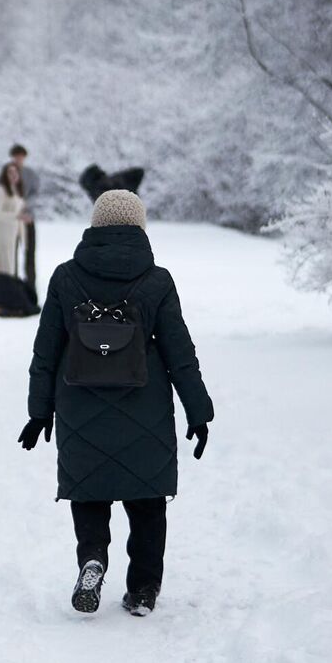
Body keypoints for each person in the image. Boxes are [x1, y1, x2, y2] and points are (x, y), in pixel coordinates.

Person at [19, 188, 214, 616]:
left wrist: (38, 412)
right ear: (139, 227)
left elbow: (46, 352)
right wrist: (199, 412)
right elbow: (181, 354)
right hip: (145, 409)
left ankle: (92, 558)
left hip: (79, 409)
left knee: (90, 494)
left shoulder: (65, 277)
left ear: (95, 226)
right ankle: (143, 590)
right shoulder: (157, 281)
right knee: (146, 502)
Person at [0, 144, 33, 275]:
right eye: (10, 172)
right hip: (2, 230)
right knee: (4, 265)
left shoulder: (16, 191)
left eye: (16, 172)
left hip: (13, 231)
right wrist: (17, 216)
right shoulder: (1, 190)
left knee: (11, 264)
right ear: (5, 174)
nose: (13, 175)